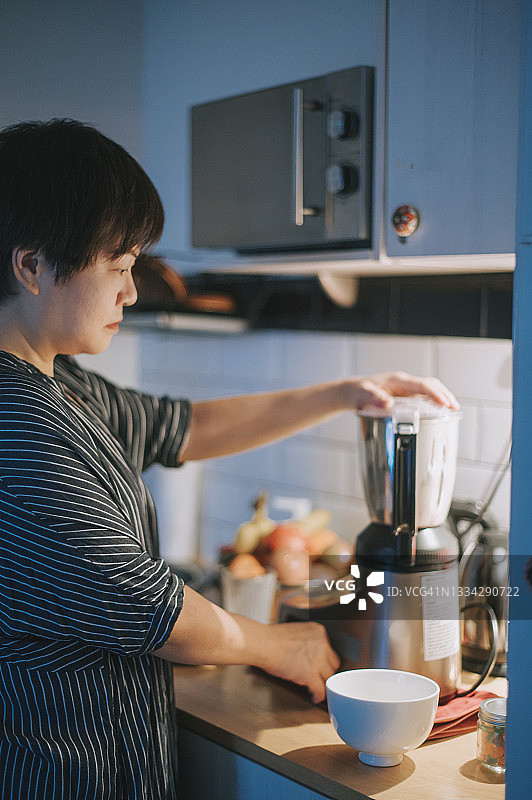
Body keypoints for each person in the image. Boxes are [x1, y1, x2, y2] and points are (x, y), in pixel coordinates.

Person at [0, 118, 459, 799]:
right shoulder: (17, 426)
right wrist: (280, 644)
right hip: (60, 774)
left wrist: (344, 393)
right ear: (32, 265)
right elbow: (152, 611)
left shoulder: (57, 382)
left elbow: (181, 427)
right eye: (119, 268)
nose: (130, 292)